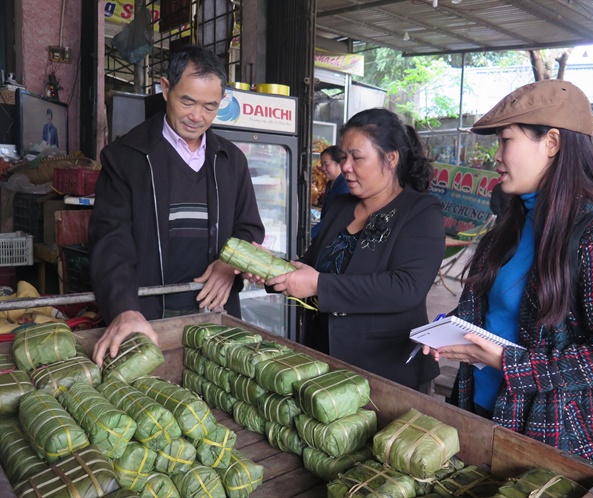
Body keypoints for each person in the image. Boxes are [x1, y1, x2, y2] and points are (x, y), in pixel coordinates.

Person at [423, 79, 593, 470]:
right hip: (477, 407)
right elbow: (487, 312)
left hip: (549, 431)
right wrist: (450, 331)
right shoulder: (506, 231)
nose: (495, 156)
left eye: (505, 140)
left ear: (552, 143)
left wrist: (508, 363)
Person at [89, 45, 264, 366]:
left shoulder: (230, 159)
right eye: (188, 101)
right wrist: (124, 309)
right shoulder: (126, 156)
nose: (197, 116)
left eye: (210, 106)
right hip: (148, 315)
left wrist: (229, 265)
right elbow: (111, 240)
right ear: (166, 88)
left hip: (215, 314)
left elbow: (249, 227)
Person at [263, 108, 445, 392]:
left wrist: (318, 284)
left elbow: (406, 287)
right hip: (324, 361)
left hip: (387, 371)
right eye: (343, 157)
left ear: (391, 158)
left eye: (356, 157)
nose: (345, 166)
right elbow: (311, 266)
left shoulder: (420, 212)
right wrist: (268, 268)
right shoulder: (339, 206)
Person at [311, 145, 350, 239]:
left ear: (339, 164)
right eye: (322, 164)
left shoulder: (345, 187)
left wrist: (310, 235)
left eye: (326, 164)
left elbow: (333, 218)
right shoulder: (329, 184)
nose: (323, 168)